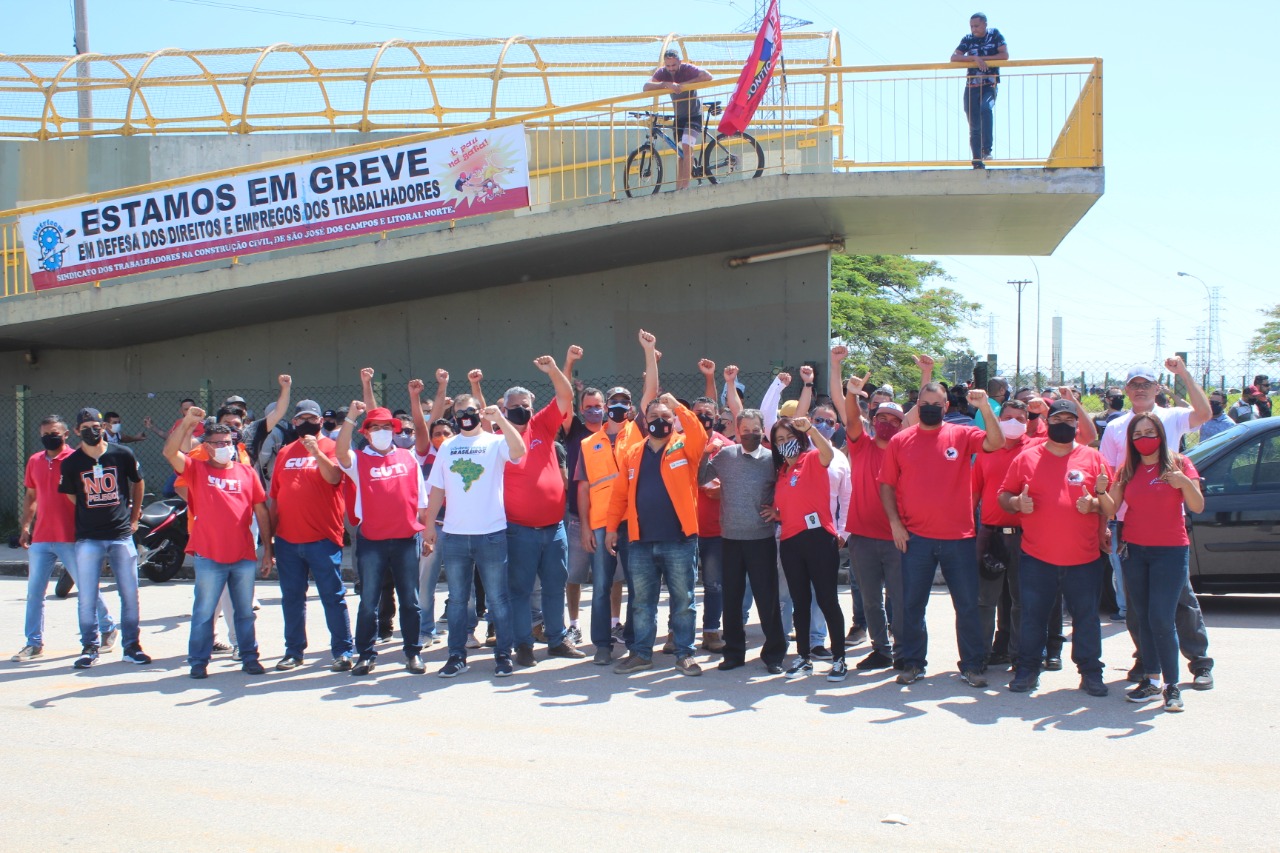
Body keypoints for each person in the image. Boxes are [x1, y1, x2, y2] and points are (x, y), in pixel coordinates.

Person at [1098, 358, 1215, 689]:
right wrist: (1105, 521)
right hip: (1127, 524)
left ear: (1156, 388)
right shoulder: (1117, 426)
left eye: (1146, 384)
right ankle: (1147, 659)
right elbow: (1107, 473)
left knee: (1180, 598)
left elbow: (1204, 413)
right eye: (1134, 384)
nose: (1139, 389)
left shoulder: (1172, 417)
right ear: (1126, 389)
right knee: (1136, 602)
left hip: (1167, 524)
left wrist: (1184, 375)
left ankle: (1199, 661)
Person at [878, 381, 1002, 687]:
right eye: (925, 403)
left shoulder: (961, 434)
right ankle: (913, 663)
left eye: (937, 403)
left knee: (967, 605)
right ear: (917, 405)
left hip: (958, 538)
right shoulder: (901, 440)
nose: (931, 407)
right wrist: (895, 523)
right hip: (916, 537)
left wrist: (985, 407)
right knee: (912, 605)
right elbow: (886, 485)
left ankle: (972, 665)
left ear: (946, 406)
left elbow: (996, 443)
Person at [999, 400, 1115, 696]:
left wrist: (1096, 510)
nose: (1063, 423)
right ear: (1047, 422)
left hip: (1084, 557)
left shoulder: (1093, 458)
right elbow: (1004, 495)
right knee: (1032, 616)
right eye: (1057, 418)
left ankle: (1090, 672)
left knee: (1086, 618)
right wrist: (1016, 503)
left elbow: (1109, 503)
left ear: (1078, 425)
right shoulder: (1026, 458)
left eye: (1069, 419)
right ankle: (1027, 669)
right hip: (1037, 557)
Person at [605, 391, 707, 677]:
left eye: (665, 417)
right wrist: (612, 528)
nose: (659, 422)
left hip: (679, 539)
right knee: (641, 601)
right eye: (654, 417)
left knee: (683, 600)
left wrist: (679, 407)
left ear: (673, 420)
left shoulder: (685, 446)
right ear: (644, 420)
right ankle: (641, 653)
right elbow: (619, 495)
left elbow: (700, 435)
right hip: (639, 541)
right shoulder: (632, 452)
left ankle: (685, 654)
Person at [163, 412, 272, 679]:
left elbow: (261, 511)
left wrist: (268, 549)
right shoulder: (196, 469)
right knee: (204, 611)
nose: (225, 447)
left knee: (244, 612)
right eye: (219, 443)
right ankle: (198, 661)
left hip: (242, 554)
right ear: (207, 447)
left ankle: (249, 656)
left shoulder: (247, 472)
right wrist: (187, 423)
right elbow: (169, 452)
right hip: (209, 555)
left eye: (229, 441)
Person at [1107, 414, 1203, 712]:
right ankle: (1151, 679)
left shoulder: (1179, 463)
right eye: (1137, 434)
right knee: (1143, 617)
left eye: (1149, 432)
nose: (1143, 438)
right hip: (1135, 551)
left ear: (1161, 434)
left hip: (1171, 551)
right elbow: (1111, 508)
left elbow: (1197, 505)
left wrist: (1184, 482)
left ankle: (1172, 686)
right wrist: (1100, 491)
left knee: (1162, 617)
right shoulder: (1128, 468)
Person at [424, 394, 525, 678]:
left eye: (470, 410)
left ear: (479, 412)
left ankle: (503, 655)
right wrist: (429, 525)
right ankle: (456, 655)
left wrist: (500, 420)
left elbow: (518, 451)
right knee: (457, 600)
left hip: (491, 533)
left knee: (497, 598)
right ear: (454, 415)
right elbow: (438, 489)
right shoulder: (448, 446)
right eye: (459, 411)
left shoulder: (494, 442)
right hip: (455, 535)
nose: (464, 415)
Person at [500, 352, 585, 666]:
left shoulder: (542, 427)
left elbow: (565, 396)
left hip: (554, 529)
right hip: (519, 530)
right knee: (520, 590)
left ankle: (557, 639)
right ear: (504, 410)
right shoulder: (498, 441)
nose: (522, 410)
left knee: (554, 586)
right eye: (515, 407)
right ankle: (523, 644)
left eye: (526, 405)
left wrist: (552, 371)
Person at [12, 415, 117, 662]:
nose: (50, 437)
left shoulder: (77, 459)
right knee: (35, 592)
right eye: (46, 433)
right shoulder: (35, 460)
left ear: (66, 434)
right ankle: (33, 642)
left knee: (86, 587)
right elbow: (31, 496)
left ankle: (108, 627)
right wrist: (26, 526)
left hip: (72, 536)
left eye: (55, 432)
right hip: (41, 538)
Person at [337, 401, 428, 676]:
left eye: (386, 427)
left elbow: (420, 498)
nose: (382, 431)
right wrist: (351, 417)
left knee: (410, 600)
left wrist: (427, 533)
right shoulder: (359, 459)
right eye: (375, 427)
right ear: (366, 433)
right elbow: (341, 452)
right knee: (369, 601)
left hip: (406, 538)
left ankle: (412, 652)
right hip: (372, 541)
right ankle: (365, 654)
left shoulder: (407, 457)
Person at [58, 407, 150, 669]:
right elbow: (71, 494)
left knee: (129, 593)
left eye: (95, 425)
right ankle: (90, 647)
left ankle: (131, 647)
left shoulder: (122, 454)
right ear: (77, 431)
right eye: (85, 427)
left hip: (121, 535)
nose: (91, 430)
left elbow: (138, 481)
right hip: (88, 537)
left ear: (103, 427)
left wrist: (133, 518)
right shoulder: (72, 462)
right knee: (87, 594)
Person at [268, 399, 356, 672]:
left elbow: (332, 478)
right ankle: (294, 651)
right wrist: (269, 543)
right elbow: (275, 499)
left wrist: (316, 452)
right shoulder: (284, 453)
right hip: (287, 540)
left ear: (320, 421)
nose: (306, 422)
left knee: (333, 596)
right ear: (293, 423)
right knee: (292, 598)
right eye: (301, 419)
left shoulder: (331, 447)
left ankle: (342, 651)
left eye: (312, 418)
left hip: (322, 539)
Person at [699, 399, 786, 674]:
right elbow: (701, 478)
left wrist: (778, 510)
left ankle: (773, 655)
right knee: (732, 599)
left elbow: (786, 488)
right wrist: (704, 453)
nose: (750, 433)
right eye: (745, 428)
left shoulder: (773, 459)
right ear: (737, 430)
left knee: (767, 598)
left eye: (756, 429)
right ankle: (733, 652)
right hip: (730, 539)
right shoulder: (726, 456)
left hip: (761, 539)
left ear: (763, 430)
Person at [770, 415, 847, 682]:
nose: (785, 443)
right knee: (799, 602)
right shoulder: (781, 472)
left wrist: (810, 429)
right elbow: (790, 502)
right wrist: (776, 512)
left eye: (789, 437)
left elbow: (828, 452)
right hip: (790, 541)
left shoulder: (813, 458)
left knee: (827, 600)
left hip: (818, 539)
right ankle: (803, 658)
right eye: (779, 440)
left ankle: (839, 659)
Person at [840, 368, 908, 671]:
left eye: (895, 420)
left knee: (901, 599)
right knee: (870, 601)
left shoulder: (906, 451)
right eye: (882, 418)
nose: (888, 424)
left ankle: (904, 649)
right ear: (873, 419)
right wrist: (852, 394)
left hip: (899, 538)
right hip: (863, 537)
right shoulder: (862, 444)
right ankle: (881, 649)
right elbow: (851, 419)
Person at [971, 398, 1030, 668]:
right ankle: (979, 656)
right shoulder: (987, 448)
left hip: (1025, 535)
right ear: (998, 419)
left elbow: (1085, 436)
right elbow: (973, 492)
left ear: (1028, 422)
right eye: (1008, 417)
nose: (1013, 423)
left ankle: (1019, 657)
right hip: (991, 533)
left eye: (1020, 418)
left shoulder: (1037, 449)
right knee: (985, 600)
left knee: (1020, 600)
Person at [643, 49, 713, 191]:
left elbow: (708, 76)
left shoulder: (687, 68)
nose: (671, 69)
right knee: (681, 154)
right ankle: (679, 187)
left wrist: (685, 85)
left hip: (693, 115)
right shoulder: (663, 73)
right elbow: (646, 87)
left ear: (679, 62)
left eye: (674, 65)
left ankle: (686, 187)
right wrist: (666, 84)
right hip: (679, 118)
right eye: (668, 66)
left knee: (687, 148)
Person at [951, 12, 1007, 168]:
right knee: (974, 125)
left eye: (976, 26)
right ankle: (977, 161)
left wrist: (985, 60)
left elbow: (1005, 55)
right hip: (971, 86)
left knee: (986, 109)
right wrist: (975, 59)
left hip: (989, 84)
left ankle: (986, 149)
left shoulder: (995, 35)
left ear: (985, 24)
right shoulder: (968, 39)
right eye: (971, 26)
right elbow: (954, 57)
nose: (973, 29)